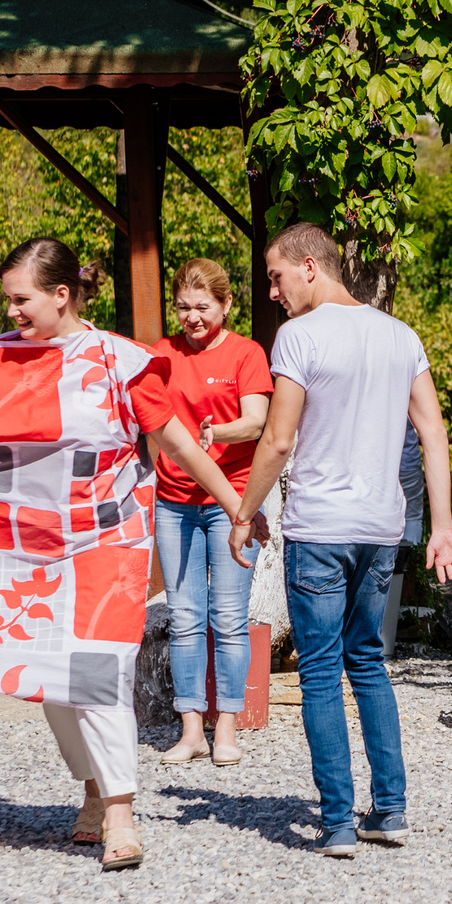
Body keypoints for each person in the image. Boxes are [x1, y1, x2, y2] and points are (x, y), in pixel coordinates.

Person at [0, 237, 254, 871]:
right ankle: (90, 786)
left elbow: (182, 445)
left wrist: (236, 509)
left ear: (61, 296)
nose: (11, 314)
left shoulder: (120, 361)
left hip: (106, 546)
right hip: (34, 550)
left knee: (101, 669)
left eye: (21, 300)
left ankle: (118, 810)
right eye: (8, 301)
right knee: (51, 681)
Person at [227, 224, 452, 858]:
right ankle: (390, 810)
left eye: (276, 276)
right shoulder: (400, 334)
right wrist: (441, 526)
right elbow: (433, 434)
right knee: (368, 663)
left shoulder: (298, 337)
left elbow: (277, 441)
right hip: (382, 528)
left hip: (320, 528)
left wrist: (245, 512)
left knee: (322, 673)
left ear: (310, 266)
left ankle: (335, 822)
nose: (272, 291)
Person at [150, 258, 271, 769]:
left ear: (226, 304)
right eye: (183, 308)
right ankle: (190, 728)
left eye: (203, 307)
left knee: (227, 618)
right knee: (183, 617)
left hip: (233, 502)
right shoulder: (161, 353)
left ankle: (226, 728)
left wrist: (211, 435)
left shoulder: (246, 353)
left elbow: (256, 422)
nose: (192, 317)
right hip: (173, 500)